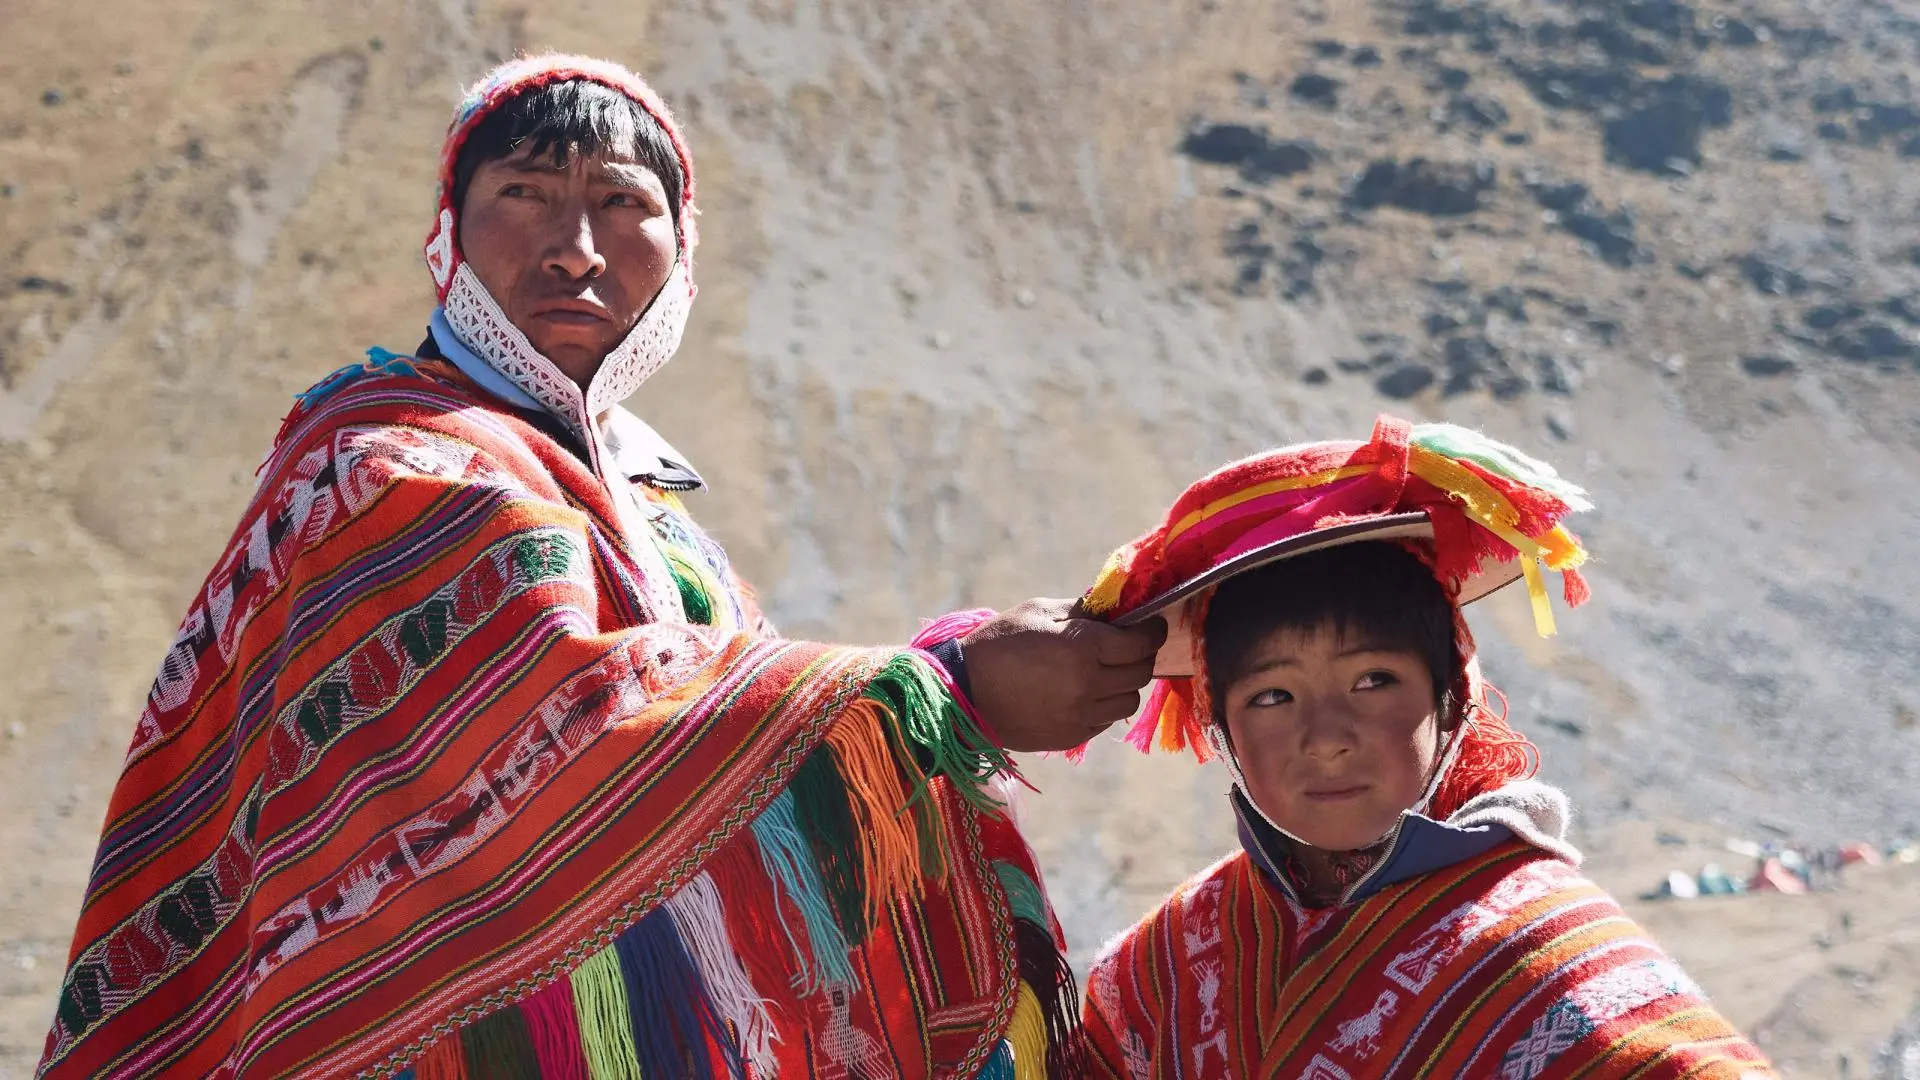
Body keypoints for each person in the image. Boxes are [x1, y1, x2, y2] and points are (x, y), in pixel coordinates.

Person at [38, 54, 1162, 1079]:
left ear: (684, 248)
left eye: (624, 203)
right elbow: (570, 719)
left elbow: (725, 762)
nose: (575, 246)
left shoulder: (653, 506)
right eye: (525, 194)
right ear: (450, 236)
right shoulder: (387, 474)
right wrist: (942, 693)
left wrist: (945, 673)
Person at [1072, 415, 1775, 1078]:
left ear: (1451, 698)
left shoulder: (1555, 964)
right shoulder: (1164, 969)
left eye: (1373, 681)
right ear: (1218, 726)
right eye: (1272, 697)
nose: (1326, 740)